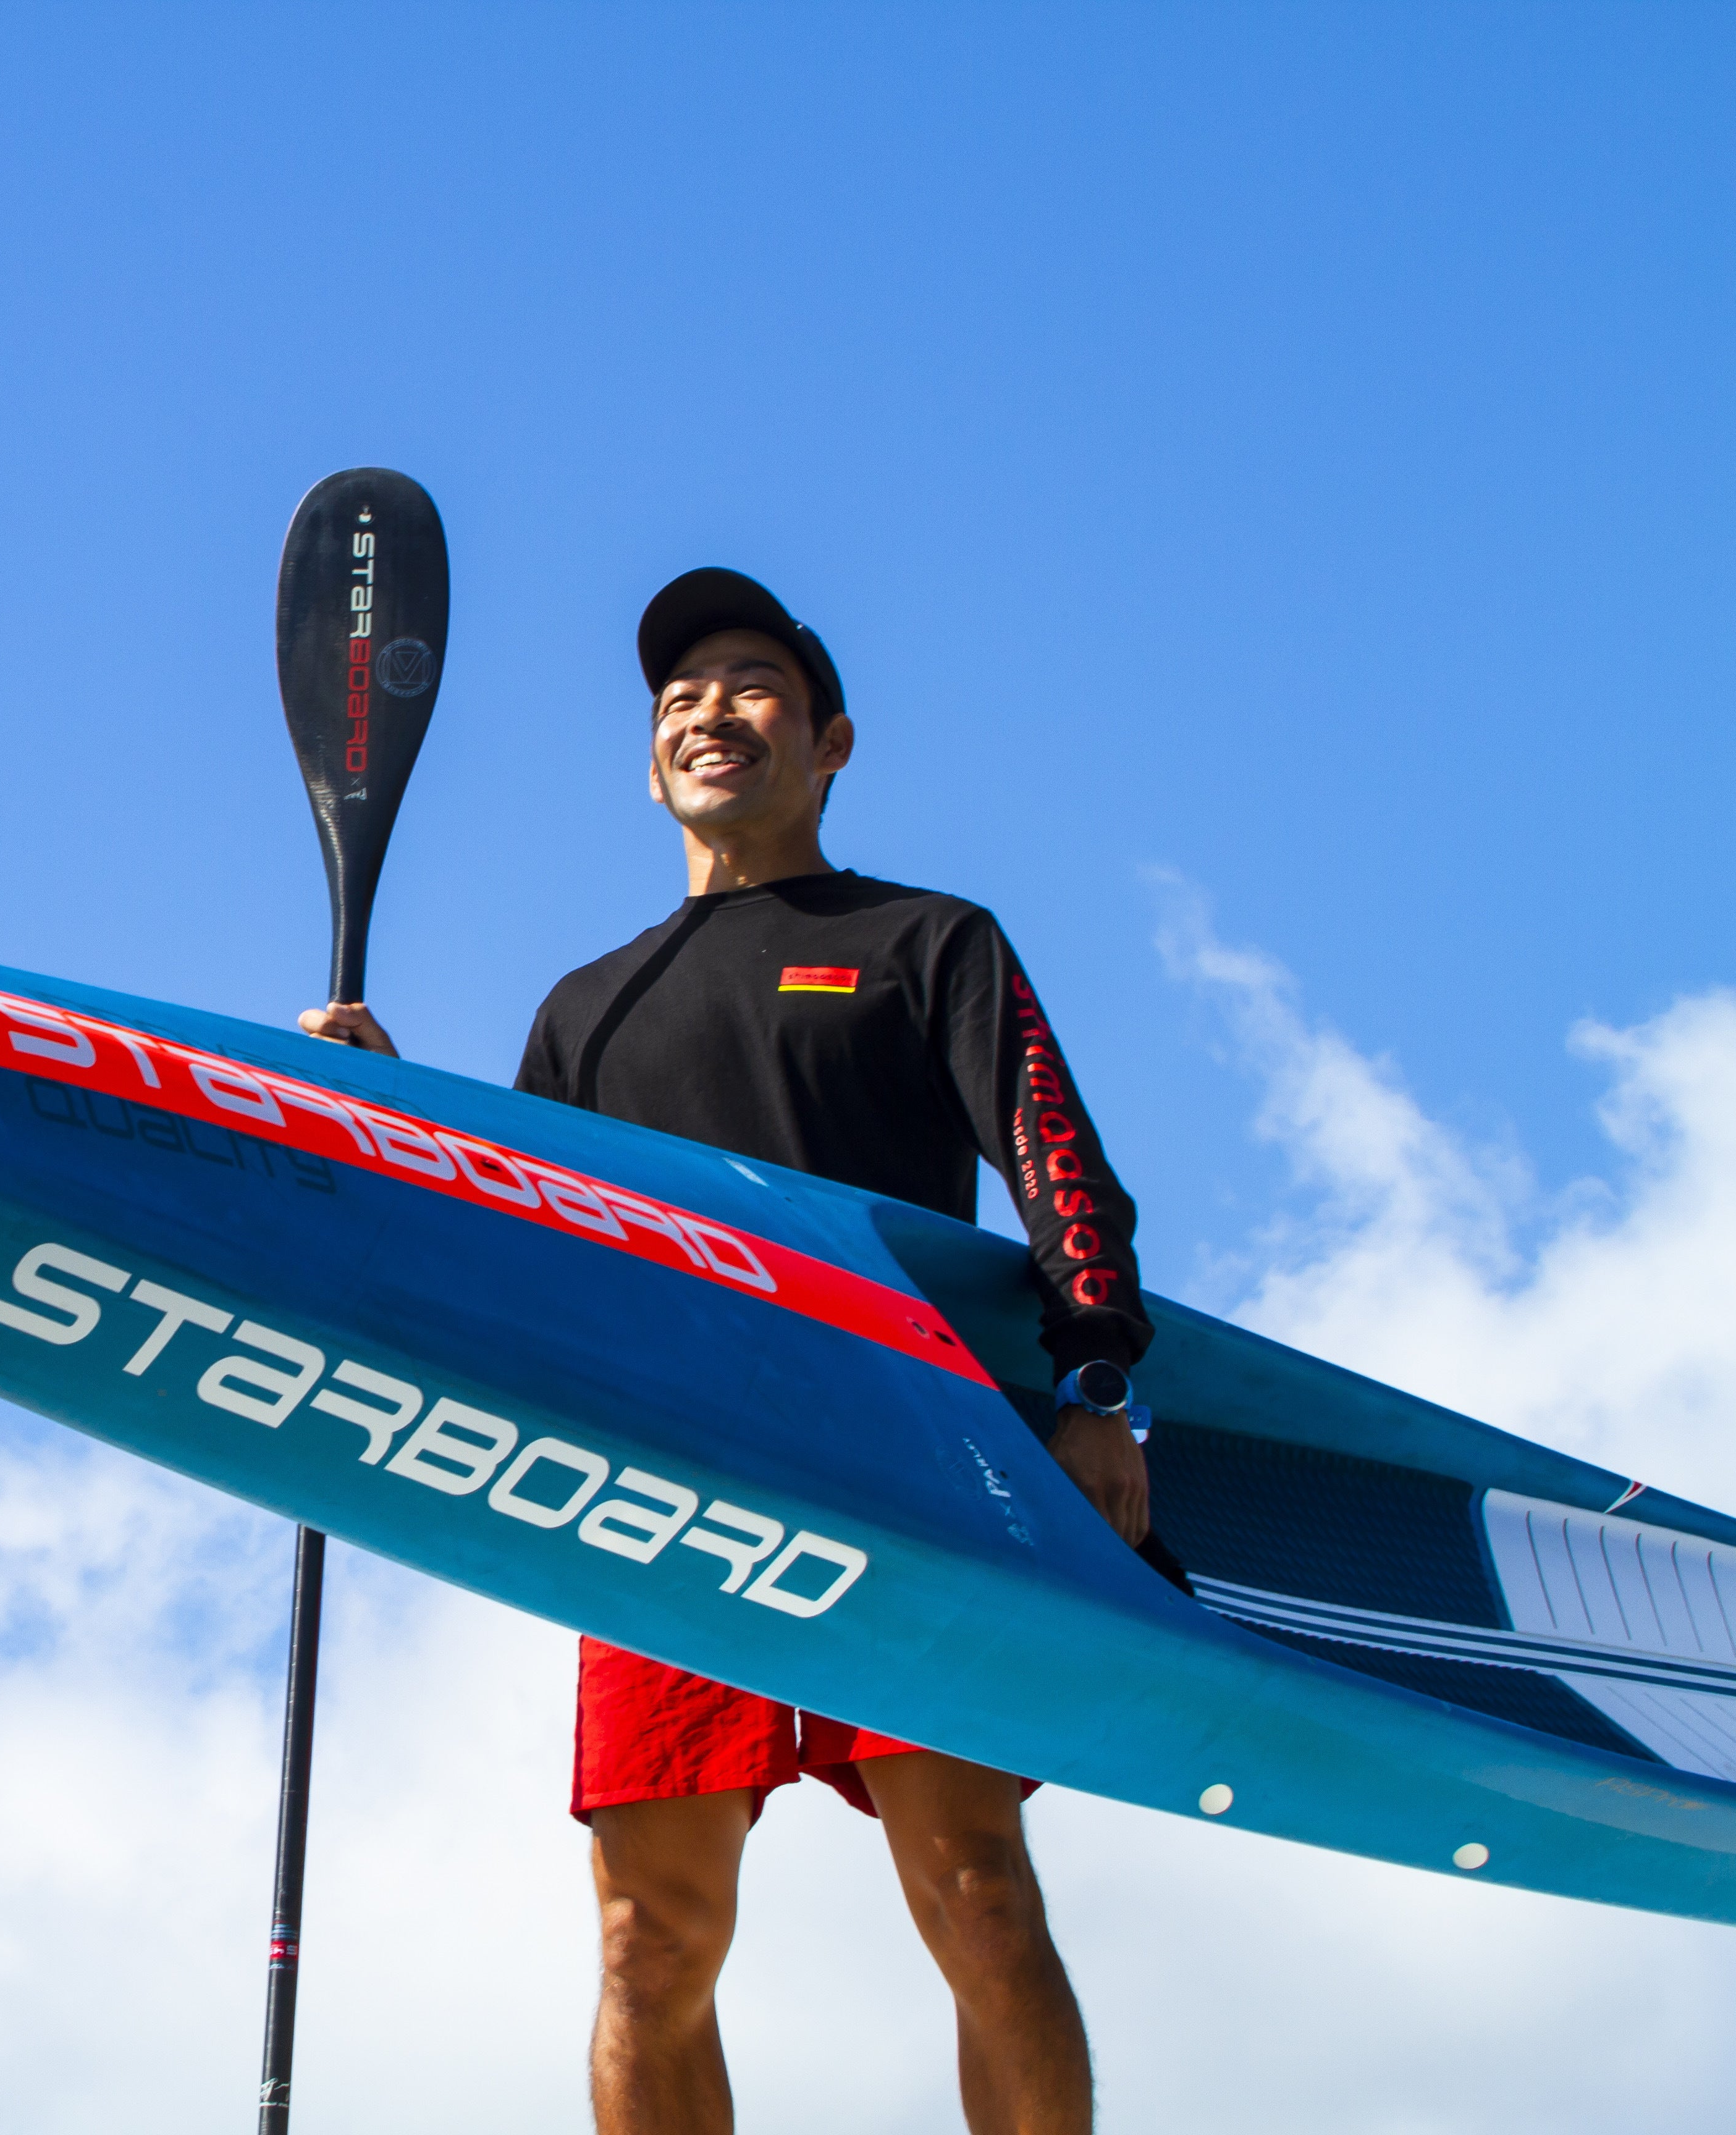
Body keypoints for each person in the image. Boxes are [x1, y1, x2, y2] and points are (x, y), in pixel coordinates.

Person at [299, 568, 1153, 2135]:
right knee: (650, 1939)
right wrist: (383, 1105)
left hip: (909, 1465)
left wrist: (1096, 1382)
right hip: (665, 1481)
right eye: (679, 697)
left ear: (831, 743)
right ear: (650, 765)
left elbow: (1059, 1171)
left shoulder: (925, 941)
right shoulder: (588, 1008)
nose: (710, 711)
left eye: (753, 684)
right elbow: (510, 1244)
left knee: (976, 1889)